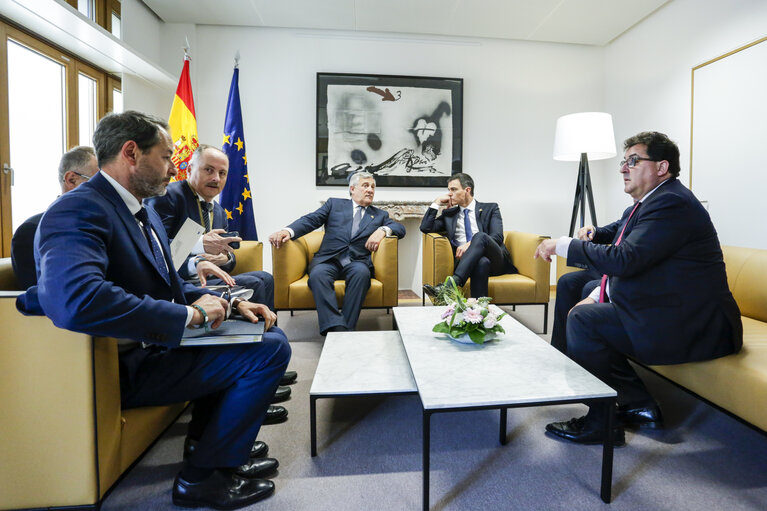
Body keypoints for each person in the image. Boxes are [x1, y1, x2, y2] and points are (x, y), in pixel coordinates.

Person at [16, 111, 291, 509]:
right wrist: (190, 317)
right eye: (166, 157)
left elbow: (165, 283)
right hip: (122, 366)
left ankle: (207, 445)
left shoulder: (142, 211)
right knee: (269, 350)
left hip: (155, 346)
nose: (173, 168)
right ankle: (203, 478)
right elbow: (78, 299)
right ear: (131, 153)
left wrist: (227, 303)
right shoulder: (77, 211)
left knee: (264, 332)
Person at [534, 131, 742, 446]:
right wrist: (595, 232)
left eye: (633, 160)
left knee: (585, 320)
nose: (622, 168)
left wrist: (564, 245)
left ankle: (602, 421)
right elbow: (620, 230)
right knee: (573, 281)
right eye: (624, 161)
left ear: (661, 167)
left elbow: (626, 259)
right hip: (668, 305)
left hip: (694, 323)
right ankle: (601, 385)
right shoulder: (650, 201)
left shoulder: (672, 203)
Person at [268, 171, 406, 335]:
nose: (370, 190)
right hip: (328, 260)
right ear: (352, 189)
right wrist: (288, 231)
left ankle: (344, 328)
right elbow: (311, 220)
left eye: (373, 187)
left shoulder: (379, 215)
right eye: (365, 185)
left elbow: (400, 228)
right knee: (318, 275)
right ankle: (337, 328)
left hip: (357, 262)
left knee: (362, 275)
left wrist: (383, 230)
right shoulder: (334, 205)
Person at [146, 144, 274, 310]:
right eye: (209, 170)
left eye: (222, 173)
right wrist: (199, 248)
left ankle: (264, 332)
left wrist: (225, 258)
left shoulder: (219, 211)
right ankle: (253, 334)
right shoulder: (169, 196)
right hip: (181, 280)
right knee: (255, 283)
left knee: (266, 278)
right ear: (189, 170)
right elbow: (157, 248)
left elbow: (229, 256)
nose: (216, 179)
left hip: (208, 278)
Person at [11, 146, 99, 289]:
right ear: (71, 180)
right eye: (98, 182)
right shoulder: (31, 231)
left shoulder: (107, 225)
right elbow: (42, 296)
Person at [421, 172, 517, 299]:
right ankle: (478, 310)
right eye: (448, 190)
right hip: (465, 261)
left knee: (480, 236)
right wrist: (436, 202)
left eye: (454, 189)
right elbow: (425, 228)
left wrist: (470, 244)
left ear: (467, 190)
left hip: (496, 260)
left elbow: (497, 237)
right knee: (481, 262)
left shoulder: (491, 208)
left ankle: (450, 285)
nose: (449, 194)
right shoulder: (449, 214)